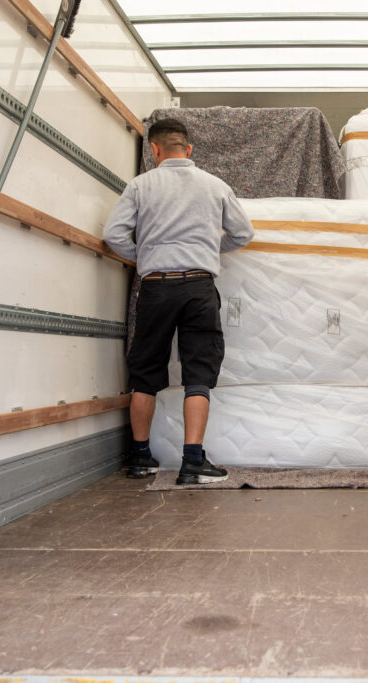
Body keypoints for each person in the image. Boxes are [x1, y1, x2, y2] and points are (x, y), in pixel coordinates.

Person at [103, 118, 253, 484]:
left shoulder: (141, 185)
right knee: (198, 372)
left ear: (154, 150)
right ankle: (192, 461)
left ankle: (139, 458)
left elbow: (113, 235)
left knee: (145, 372)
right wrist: (205, 248)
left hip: (156, 286)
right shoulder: (215, 185)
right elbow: (243, 233)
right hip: (199, 287)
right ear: (189, 150)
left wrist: (147, 256)